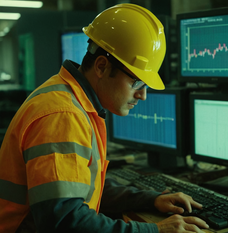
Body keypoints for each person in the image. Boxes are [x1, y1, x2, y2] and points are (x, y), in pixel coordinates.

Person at [0, 3, 209, 233]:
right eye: (136, 82)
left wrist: (149, 199)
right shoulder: (63, 115)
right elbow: (64, 222)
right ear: (101, 66)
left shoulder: (70, 98)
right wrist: (155, 230)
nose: (143, 95)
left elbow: (82, 186)